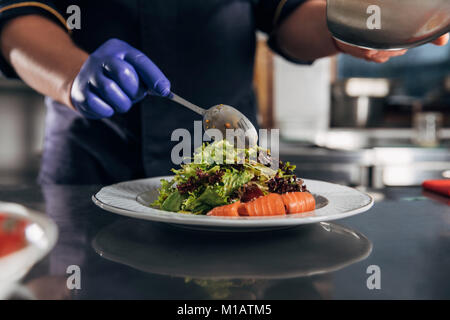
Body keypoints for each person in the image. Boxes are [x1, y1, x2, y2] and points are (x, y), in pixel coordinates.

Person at [0, 0, 448, 184]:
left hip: (229, 152)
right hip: (91, 159)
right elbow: (16, 12)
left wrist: (351, 24)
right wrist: (73, 75)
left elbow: (288, 17)